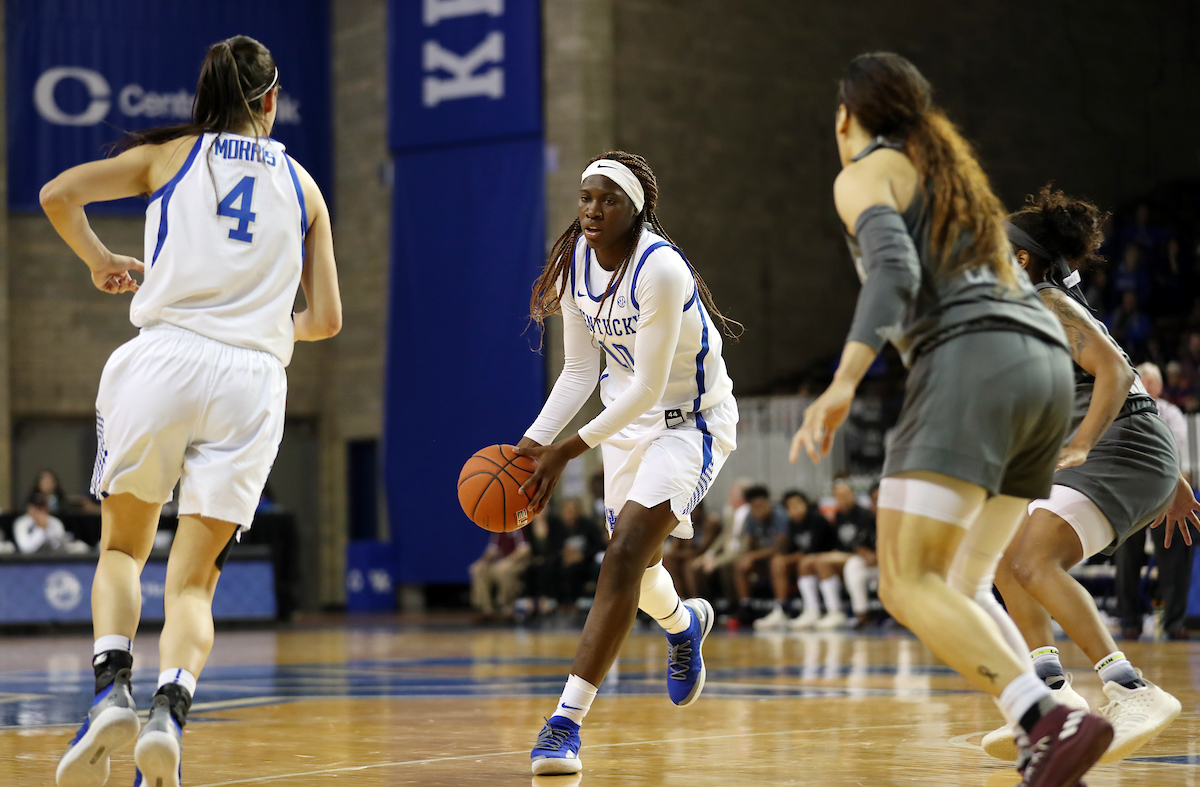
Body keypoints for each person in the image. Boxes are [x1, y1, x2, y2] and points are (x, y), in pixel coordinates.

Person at [792, 53, 1111, 787]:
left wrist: (843, 379)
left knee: (906, 581)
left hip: (974, 362)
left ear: (846, 117)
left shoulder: (866, 170)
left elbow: (896, 274)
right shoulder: (952, 179)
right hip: (1044, 370)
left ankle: (1044, 714)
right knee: (962, 581)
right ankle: (1049, 727)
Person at [44, 36, 341, 787]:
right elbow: (328, 318)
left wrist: (102, 262)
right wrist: (269, 326)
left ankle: (113, 686)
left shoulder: (167, 156)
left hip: (164, 359)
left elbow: (57, 195)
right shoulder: (306, 187)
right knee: (193, 581)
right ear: (270, 101)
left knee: (121, 551)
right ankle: (171, 710)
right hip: (252, 380)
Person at [517, 151, 739, 776]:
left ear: (634, 210)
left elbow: (646, 387)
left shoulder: (661, 268)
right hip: (623, 427)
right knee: (639, 574)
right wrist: (534, 442)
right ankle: (685, 624)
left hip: (688, 425)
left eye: (606, 200)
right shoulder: (573, 266)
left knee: (622, 555)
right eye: (585, 198)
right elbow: (581, 371)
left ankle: (564, 724)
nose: (591, 210)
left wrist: (566, 451)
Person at [981, 187, 1190, 763]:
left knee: (1033, 561)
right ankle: (1052, 698)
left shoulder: (1046, 302)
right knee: (1005, 554)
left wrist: (1082, 443)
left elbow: (1116, 374)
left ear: (1021, 259)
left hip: (1121, 450)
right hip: (1133, 452)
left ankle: (1130, 689)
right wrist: (1170, 477)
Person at [1114, 362, 1195, 641]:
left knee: (1174, 556)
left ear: (1159, 387)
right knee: (1126, 559)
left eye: (1150, 382)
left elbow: (1174, 453)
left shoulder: (1172, 414)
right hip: (1129, 491)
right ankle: (1129, 621)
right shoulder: (1120, 409)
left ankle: (1174, 622)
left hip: (1164, 489)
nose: (1145, 386)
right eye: (1141, 380)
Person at [790, 479, 876, 630]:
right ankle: (812, 610)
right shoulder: (838, 516)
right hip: (841, 555)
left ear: (853, 494)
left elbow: (861, 544)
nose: (841, 499)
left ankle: (836, 611)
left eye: (844, 495)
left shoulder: (864, 514)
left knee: (822, 561)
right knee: (806, 563)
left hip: (857, 556)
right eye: (837, 496)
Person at [754, 490, 837, 630]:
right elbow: (792, 549)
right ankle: (781, 610)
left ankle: (828, 611)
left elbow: (814, 549)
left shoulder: (817, 520)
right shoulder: (793, 524)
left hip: (825, 559)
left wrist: (794, 557)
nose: (795, 509)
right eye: (791, 507)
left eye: (798, 504)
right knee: (777, 562)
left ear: (806, 504)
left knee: (804, 562)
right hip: (807, 562)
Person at [732, 485, 789, 623]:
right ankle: (746, 607)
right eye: (753, 507)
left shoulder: (780, 515)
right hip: (764, 560)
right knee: (740, 565)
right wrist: (748, 556)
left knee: (777, 561)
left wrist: (753, 556)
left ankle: (781, 609)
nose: (757, 510)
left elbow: (780, 548)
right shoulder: (750, 518)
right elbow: (750, 545)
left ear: (767, 502)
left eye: (760, 505)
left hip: (785, 558)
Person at [553, 498, 606, 611]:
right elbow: (554, 548)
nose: (569, 514)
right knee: (553, 567)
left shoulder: (588, 525)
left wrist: (582, 555)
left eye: (572, 511)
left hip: (587, 562)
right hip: (566, 562)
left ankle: (580, 604)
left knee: (578, 571)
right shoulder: (559, 528)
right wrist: (564, 555)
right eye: (567, 511)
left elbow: (599, 545)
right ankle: (558, 603)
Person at [662, 501, 719, 600]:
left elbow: (702, 549)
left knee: (689, 566)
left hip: (705, 555)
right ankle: (680, 599)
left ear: (699, 509)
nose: (690, 513)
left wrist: (679, 554)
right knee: (669, 562)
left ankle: (695, 599)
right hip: (689, 554)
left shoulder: (711, 522)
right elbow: (676, 546)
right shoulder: (685, 520)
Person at [470, 529, 531, 620]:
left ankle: (505, 607)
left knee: (504, 572)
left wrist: (508, 561)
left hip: (517, 563)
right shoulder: (497, 529)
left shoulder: (518, 527)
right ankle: (486, 609)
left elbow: (524, 550)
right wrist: (481, 562)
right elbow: (492, 550)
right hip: (500, 564)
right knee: (480, 572)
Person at [842, 483, 881, 628]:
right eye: (875, 500)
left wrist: (881, 557)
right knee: (853, 565)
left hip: (897, 567)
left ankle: (902, 616)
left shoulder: (903, 518)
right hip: (877, 565)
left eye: (882, 499)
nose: (879, 504)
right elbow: (858, 544)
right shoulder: (869, 518)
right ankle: (862, 613)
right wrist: (867, 554)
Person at [13, 493, 80, 554]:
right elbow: (25, 549)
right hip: (28, 563)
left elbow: (60, 546)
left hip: (52, 561)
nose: (40, 511)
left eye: (43, 507)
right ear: (29, 509)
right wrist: (40, 528)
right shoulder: (21, 523)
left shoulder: (55, 522)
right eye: (37, 508)